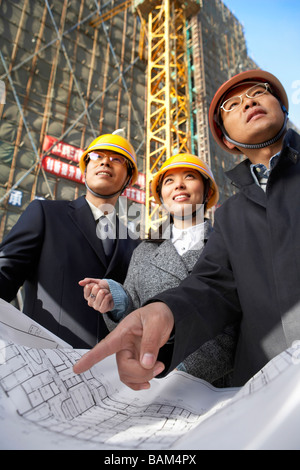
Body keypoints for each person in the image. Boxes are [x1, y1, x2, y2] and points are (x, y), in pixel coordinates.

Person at [74, 69, 300, 391]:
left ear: (207, 191)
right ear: (225, 138)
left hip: (230, 382)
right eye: (233, 104)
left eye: (258, 92)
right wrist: (132, 305)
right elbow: (210, 289)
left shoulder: (223, 227)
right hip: (201, 386)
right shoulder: (229, 221)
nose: (248, 102)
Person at [79, 153, 237, 385]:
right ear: (161, 196)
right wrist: (116, 300)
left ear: (208, 192)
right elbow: (134, 312)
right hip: (152, 380)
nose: (179, 185)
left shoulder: (230, 246)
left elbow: (239, 318)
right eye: (169, 181)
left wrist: (182, 367)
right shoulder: (143, 251)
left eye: (190, 176)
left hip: (218, 386)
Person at [0, 132, 140, 348]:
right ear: (85, 170)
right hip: (46, 361)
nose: (105, 161)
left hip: (111, 373)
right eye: (96, 156)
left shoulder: (134, 244)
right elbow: (5, 272)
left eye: (117, 159)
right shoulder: (46, 215)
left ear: (129, 178)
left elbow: (139, 310)